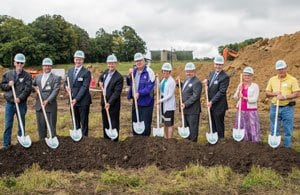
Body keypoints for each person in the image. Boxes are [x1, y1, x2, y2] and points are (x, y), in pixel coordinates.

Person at [0, 53, 32, 149]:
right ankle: (6, 144)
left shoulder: (27, 76)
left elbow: (28, 89)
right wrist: (9, 85)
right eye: (17, 62)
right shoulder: (8, 74)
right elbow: (2, 86)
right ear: (14, 63)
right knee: (8, 124)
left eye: (21, 63)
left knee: (21, 123)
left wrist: (20, 98)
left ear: (23, 64)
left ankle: (21, 142)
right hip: (9, 104)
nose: (19, 64)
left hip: (21, 104)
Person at [266, 60, 300, 147]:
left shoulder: (292, 80)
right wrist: (274, 93)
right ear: (276, 70)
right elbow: (267, 93)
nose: (281, 71)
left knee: (288, 129)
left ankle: (287, 148)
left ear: (286, 68)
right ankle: (275, 146)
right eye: (279, 69)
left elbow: (297, 93)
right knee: (274, 128)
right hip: (274, 107)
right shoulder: (272, 80)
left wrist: (284, 96)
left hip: (287, 108)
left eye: (282, 69)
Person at [127, 52, 155, 136]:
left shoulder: (149, 72)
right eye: (136, 61)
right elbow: (129, 83)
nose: (138, 62)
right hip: (136, 102)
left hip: (146, 102)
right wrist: (129, 75)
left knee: (145, 123)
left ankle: (145, 142)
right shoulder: (134, 71)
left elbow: (150, 86)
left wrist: (139, 93)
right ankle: (136, 141)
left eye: (140, 60)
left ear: (144, 61)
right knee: (135, 122)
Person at [32, 58, 61, 140]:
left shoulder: (56, 78)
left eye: (48, 66)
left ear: (51, 66)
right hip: (39, 105)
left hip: (50, 106)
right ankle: (42, 143)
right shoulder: (38, 77)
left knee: (51, 127)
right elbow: (31, 85)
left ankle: (52, 142)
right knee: (41, 128)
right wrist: (34, 88)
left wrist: (48, 100)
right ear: (42, 66)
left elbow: (55, 91)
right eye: (45, 65)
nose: (47, 67)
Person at [65, 50, 91, 136]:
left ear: (83, 60)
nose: (78, 61)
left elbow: (84, 87)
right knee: (75, 120)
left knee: (84, 122)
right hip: (72, 100)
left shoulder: (86, 72)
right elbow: (66, 82)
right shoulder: (70, 71)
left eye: (80, 59)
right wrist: (66, 87)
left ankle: (84, 139)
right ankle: (77, 137)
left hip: (83, 101)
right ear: (74, 60)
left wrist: (76, 99)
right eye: (76, 59)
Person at [203, 56, 230, 139]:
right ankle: (213, 140)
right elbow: (211, 83)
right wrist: (207, 82)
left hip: (219, 106)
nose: (218, 66)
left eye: (220, 64)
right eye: (216, 64)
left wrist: (212, 101)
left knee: (219, 125)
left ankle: (221, 142)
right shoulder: (212, 73)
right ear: (214, 64)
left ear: (223, 65)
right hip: (211, 104)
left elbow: (221, 92)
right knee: (212, 123)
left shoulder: (225, 77)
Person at [98, 54, 123, 141]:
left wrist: (109, 103)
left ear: (115, 64)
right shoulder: (105, 72)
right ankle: (106, 141)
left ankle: (114, 142)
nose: (110, 65)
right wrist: (100, 83)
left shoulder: (119, 77)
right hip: (104, 103)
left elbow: (117, 93)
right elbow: (100, 79)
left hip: (113, 105)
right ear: (107, 64)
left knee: (114, 123)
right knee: (105, 123)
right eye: (109, 63)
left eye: (112, 63)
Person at [233, 67, 260, 142]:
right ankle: (243, 141)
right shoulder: (240, 85)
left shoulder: (255, 86)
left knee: (251, 127)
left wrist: (244, 98)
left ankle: (253, 142)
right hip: (241, 110)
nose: (247, 77)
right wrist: (238, 93)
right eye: (245, 75)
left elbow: (254, 99)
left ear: (252, 76)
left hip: (251, 110)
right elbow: (235, 97)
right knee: (242, 126)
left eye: (249, 75)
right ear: (243, 76)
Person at [178, 62, 202, 142]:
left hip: (192, 110)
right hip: (185, 109)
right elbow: (186, 90)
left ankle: (193, 145)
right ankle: (187, 145)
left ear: (194, 71)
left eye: (190, 71)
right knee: (186, 127)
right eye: (187, 71)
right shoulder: (186, 80)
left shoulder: (197, 82)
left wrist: (185, 104)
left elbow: (195, 96)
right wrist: (179, 84)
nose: (188, 73)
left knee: (193, 128)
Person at [158, 63, 176, 139]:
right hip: (163, 104)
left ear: (170, 72)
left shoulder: (172, 81)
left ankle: (170, 140)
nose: (165, 73)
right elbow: (160, 88)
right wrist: (157, 80)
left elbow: (170, 95)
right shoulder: (164, 80)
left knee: (169, 124)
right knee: (165, 123)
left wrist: (160, 100)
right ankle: (165, 138)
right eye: (164, 71)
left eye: (167, 71)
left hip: (169, 106)